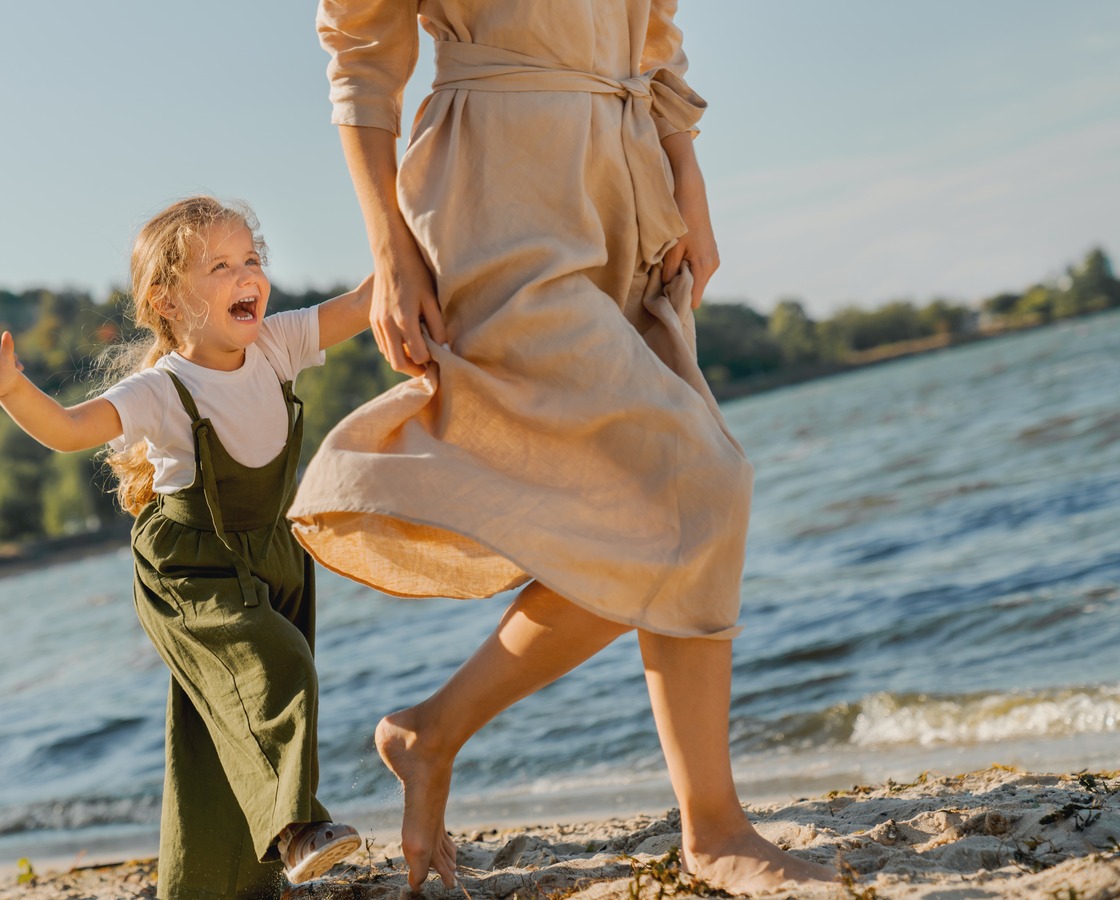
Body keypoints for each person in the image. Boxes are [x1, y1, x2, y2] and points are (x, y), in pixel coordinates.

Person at [288, 1, 842, 894]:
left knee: (671, 509)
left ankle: (435, 732)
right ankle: (712, 832)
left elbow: (652, 27)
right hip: (494, 190)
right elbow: (360, 51)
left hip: (626, 181)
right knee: (700, 485)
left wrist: (684, 168)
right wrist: (387, 246)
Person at [0, 196, 372, 899]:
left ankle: (211, 886)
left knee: (220, 728)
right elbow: (72, 429)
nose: (246, 275)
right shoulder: (163, 390)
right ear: (166, 300)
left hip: (272, 558)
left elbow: (366, 301)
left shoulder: (279, 344)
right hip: (192, 574)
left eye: (252, 259)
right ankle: (297, 829)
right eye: (221, 265)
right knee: (276, 670)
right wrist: (10, 387)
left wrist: (425, 233)